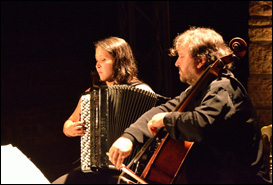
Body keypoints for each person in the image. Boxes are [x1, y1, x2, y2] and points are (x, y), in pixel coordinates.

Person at [109, 27, 267, 184]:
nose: (177, 63)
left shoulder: (224, 88)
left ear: (200, 61)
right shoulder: (200, 89)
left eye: (181, 57)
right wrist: (129, 137)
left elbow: (202, 123)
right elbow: (163, 109)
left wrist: (166, 120)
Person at [52, 36, 154, 184]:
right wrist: (70, 129)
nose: (98, 65)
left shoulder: (142, 91)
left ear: (119, 61)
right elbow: (67, 124)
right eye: (96, 61)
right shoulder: (92, 93)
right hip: (96, 168)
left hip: (129, 170)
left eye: (103, 60)